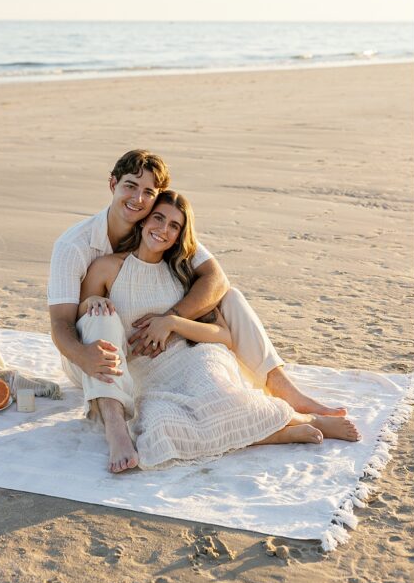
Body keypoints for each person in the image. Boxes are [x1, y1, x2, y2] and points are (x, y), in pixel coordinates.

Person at [49, 150, 343, 473]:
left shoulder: (166, 232)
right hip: (90, 354)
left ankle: (282, 389)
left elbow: (217, 279)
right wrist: (88, 335)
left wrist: (171, 320)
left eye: (148, 193)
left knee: (230, 298)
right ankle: (114, 425)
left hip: (174, 355)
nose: (138, 199)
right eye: (130, 187)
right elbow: (62, 324)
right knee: (100, 316)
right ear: (113, 184)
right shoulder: (76, 247)